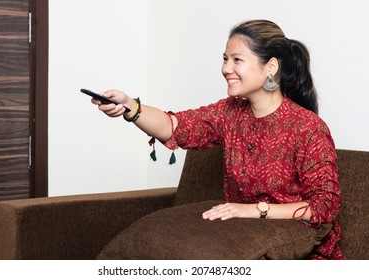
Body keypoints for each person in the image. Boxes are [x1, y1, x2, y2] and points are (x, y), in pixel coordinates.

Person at [91, 19, 342, 260]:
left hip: (297, 246)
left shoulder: (307, 127)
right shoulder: (229, 112)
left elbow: (325, 206)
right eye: (225, 59)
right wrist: (130, 108)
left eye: (237, 60)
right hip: (241, 238)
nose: (225, 69)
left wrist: (254, 210)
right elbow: (175, 126)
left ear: (271, 67)